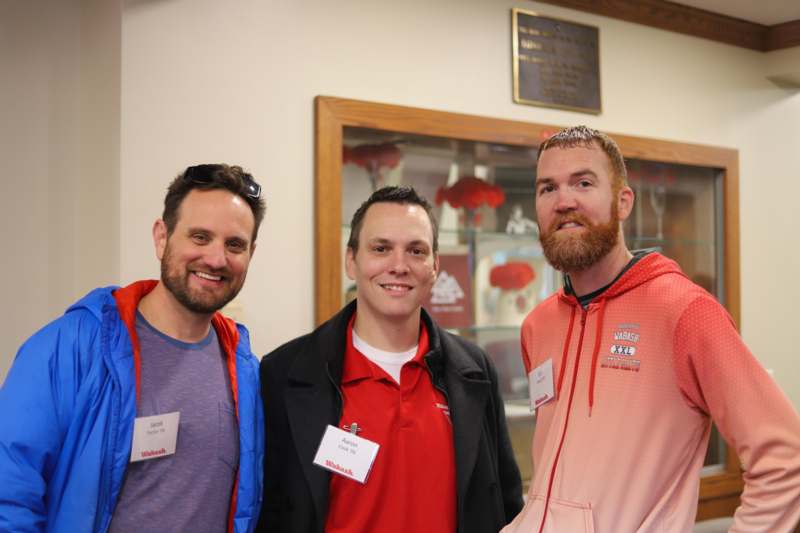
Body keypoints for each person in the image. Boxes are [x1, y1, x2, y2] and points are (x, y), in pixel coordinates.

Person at [502, 126, 800, 532]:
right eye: (547, 188)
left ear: (623, 201)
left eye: (583, 183)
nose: (564, 201)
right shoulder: (538, 324)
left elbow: (785, 460)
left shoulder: (686, 312)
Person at [0, 164, 266, 533]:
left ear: (251, 253)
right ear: (162, 237)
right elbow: (9, 491)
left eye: (234, 244)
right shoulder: (71, 347)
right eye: (200, 237)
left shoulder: (245, 368)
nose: (217, 259)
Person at [258, 186, 522, 533]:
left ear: (435, 266)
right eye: (381, 249)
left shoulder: (474, 371)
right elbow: (273, 510)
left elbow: (505, 504)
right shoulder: (285, 372)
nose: (399, 266)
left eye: (416, 251)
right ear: (351, 260)